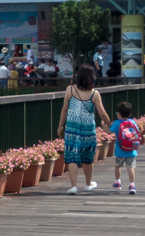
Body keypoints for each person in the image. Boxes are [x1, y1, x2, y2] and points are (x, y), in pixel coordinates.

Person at [57, 64, 112, 195]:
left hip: (72, 128)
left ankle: (74, 186)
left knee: (72, 157)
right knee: (87, 157)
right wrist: (111, 125)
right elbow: (102, 113)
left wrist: (60, 126)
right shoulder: (94, 94)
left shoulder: (70, 90)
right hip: (88, 130)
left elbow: (64, 109)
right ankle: (88, 184)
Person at [109, 101, 139, 194]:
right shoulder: (132, 122)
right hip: (131, 150)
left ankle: (117, 182)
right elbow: (137, 132)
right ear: (130, 114)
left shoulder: (117, 123)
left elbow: (109, 132)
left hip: (120, 150)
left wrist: (103, 125)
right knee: (130, 167)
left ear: (118, 114)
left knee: (118, 166)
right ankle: (132, 185)